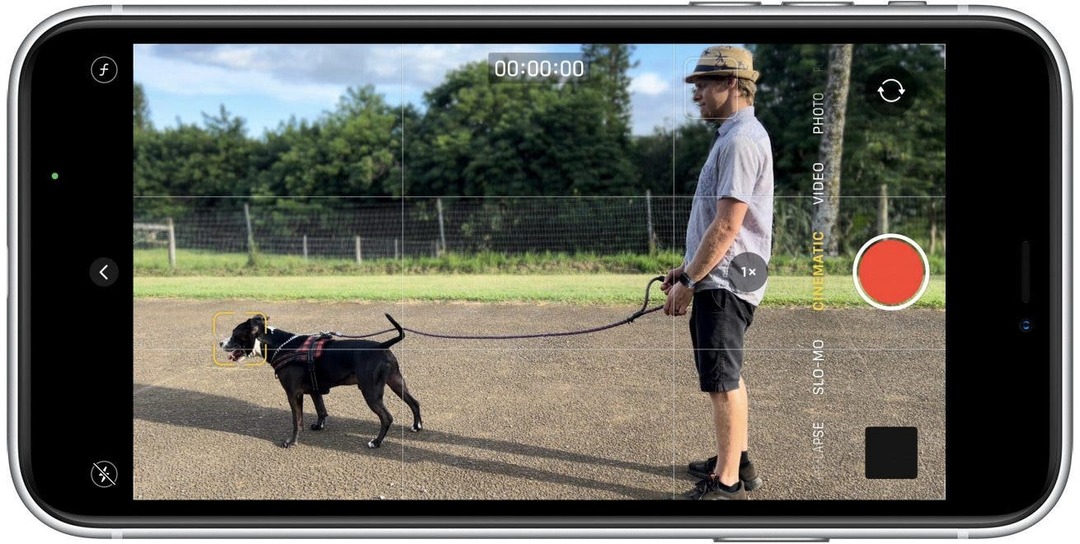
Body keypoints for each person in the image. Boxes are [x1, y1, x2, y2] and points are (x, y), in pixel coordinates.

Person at [662, 46, 774, 500]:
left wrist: (691, 281)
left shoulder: (740, 140)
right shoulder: (735, 134)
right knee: (728, 374)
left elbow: (728, 224)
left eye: (704, 85)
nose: (697, 95)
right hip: (725, 275)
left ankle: (725, 483)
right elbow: (723, 221)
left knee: (722, 380)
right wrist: (687, 269)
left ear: (732, 84)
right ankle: (738, 461)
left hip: (725, 279)